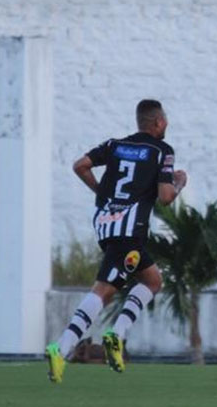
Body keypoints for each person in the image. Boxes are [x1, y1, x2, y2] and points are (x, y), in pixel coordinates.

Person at [45, 99, 187, 383]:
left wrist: (101, 192)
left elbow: (80, 166)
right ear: (158, 122)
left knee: (153, 281)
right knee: (103, 292)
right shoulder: (161, 150)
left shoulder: (114, 145)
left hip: (107, 225)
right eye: (165, 120)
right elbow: (166, 197)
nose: (166, 124)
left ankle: (117, 335)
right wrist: (180, 182)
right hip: (129, 231)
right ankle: (62, 347)